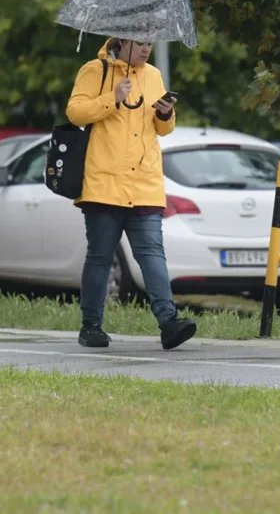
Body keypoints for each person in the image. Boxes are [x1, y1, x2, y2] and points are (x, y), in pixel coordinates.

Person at [65, 36, 197, 350]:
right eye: (139, 43)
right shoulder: (95, 70)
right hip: (104, 185)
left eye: (150, 43)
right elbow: (75, 113)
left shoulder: (153, 75)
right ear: (122, 42)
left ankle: (169, 322)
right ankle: (91, 326)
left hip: (144, 184)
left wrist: (165, 114)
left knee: (152, 254)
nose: (146, 48)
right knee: (100, 257)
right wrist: (112, 97)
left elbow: (163, 129)